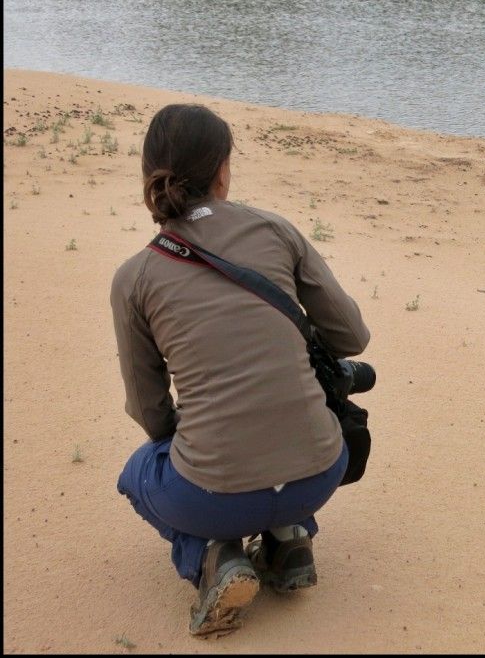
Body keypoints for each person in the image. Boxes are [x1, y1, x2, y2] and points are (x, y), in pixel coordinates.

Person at [111, 103, 370, 637]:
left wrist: (196, 439)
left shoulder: (135, 276)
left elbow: (149, 409)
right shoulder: (277, 230)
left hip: (212, 495)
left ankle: (211, 557)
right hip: (322, 472)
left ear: (149, 175)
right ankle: (287, 538)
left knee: (137, 473)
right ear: (223, 171)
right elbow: (352, 338)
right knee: (281, 460)